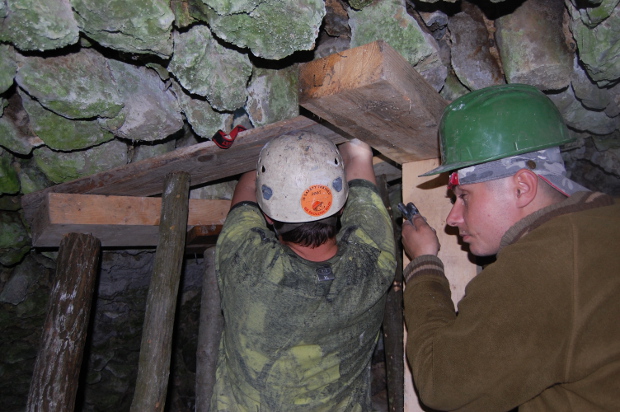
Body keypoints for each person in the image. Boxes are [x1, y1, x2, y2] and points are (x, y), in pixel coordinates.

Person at [401, 84, 620, 411]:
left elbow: (442, 384)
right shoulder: (603, 222)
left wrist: (424, 266)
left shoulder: (542, 265)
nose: (452, 218)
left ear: (521, 187)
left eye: (464, 197)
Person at [210, 132, 396, 411]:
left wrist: (276, 155)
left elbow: (247, 187)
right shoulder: (375, 261)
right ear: (342, 207)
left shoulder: (246, 264)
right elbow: (358, 153)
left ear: (268, 215)